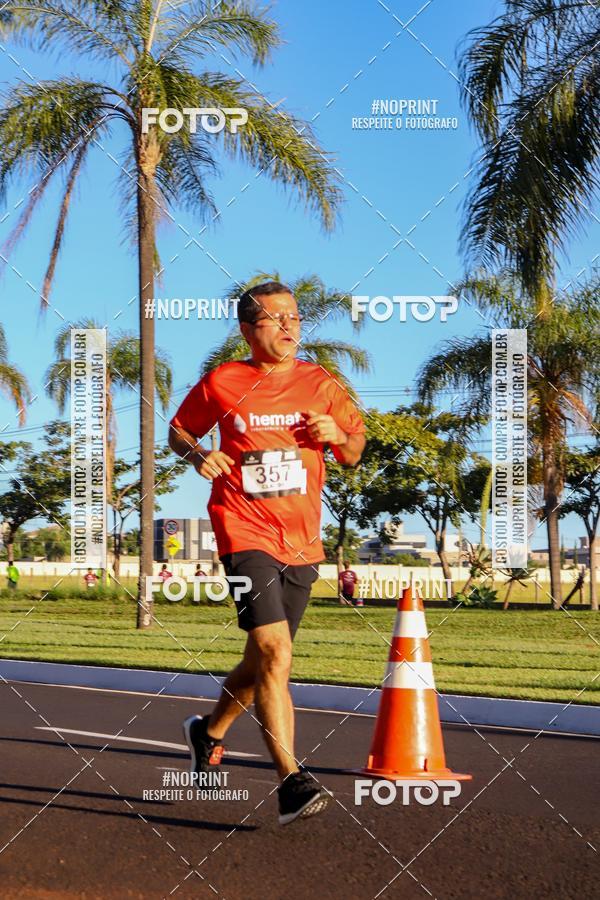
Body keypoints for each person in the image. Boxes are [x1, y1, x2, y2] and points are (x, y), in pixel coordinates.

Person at [169, 281, 366, 825]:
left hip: (301, 540)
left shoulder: (321, 382)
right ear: (246, 330)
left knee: (261, 662)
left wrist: (337, 433)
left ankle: (207, 732)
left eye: (294, 318)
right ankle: (291, 783)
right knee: (277, 653)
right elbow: (179, 430)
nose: (288, 326)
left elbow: (354, 450)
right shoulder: (223, 381)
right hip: (241, 530)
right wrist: (198, 455)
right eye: (275, 318)